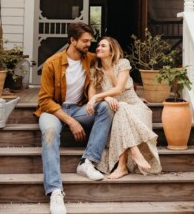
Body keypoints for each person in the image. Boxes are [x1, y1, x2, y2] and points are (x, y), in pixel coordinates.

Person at [34, 22, 114, 214]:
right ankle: (55, 191)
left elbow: (116, 67)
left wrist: (129, 94)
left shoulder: (91, 60)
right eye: (85, 41)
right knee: (50, 132)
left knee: (105, 108)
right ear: (72, 40)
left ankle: (87, 162)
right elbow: (44, 101)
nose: (89, 44)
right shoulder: (52, 63)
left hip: (78, 109)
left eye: (90, 40)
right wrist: (70, 122)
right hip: (52, 111)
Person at [87, 37, 162, 180]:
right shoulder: (96, 70)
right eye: (98, 46)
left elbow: (119, 89)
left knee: (122, 107)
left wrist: (99, 97)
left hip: (136, 108)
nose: (98, 48)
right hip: (119, 111)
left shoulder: (123, 63)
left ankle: (123, 166)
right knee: (120, 108)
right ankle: (132, 152)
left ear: (112, 50)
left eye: (103, 46)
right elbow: (91, 93)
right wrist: (105, 98)